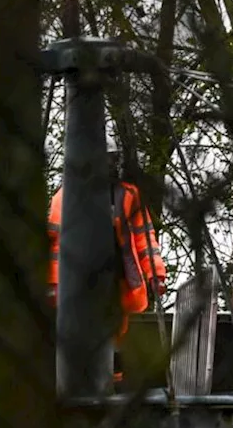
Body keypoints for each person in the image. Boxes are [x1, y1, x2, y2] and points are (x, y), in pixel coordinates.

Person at [47, 130, 168, 384]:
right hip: (77, 281)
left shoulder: (128, 196)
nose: (108, 166)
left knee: (115, 333)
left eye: (111, 160)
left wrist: (155, 274)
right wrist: (52, 284)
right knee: (78, 333)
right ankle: (80, 381)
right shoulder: (64, 199)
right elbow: (53, 246)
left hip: (116, 280)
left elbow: (145, 239)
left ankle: (111, 382)